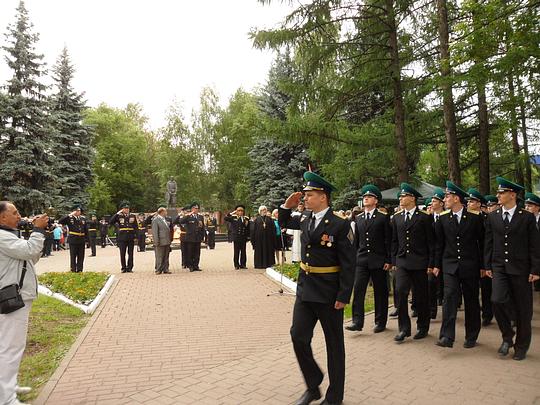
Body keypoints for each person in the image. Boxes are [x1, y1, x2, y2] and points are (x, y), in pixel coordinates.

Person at [279, 171, 355, 405]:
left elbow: (349, 263)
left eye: (309, 195)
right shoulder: (304, 218)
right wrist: (285, 205)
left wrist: (344, 294)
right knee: (298, 336)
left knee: (334, 345)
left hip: (329, 293)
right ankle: (313, 385)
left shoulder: (340, 225)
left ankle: (335, 397)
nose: (305, 198)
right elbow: (283, 221)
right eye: (305, 195)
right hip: (306, 290)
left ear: (323, 197)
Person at [484, 177, 540, 360]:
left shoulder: (527, 217)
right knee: (497, 300)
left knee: (523, 309)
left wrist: (535, 269)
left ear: (512, 195)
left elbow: (534, 245)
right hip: (499, 266)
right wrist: (487, 265)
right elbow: (489, 243)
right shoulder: (492, 216)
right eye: (498, 192)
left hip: (521, 268)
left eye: (502, 192)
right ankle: (507, 335)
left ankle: (522, 346)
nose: (498, 195)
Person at [0, 201, 48, 405]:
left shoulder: (9, 236)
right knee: (11, 347)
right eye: (15, 212)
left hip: (17, 295)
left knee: (9, 345)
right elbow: (29, 252)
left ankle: (8, 385)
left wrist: (35, 238)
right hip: (13, 297)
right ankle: (7, 398)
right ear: (2, 217)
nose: (19, 216)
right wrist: (38, 230)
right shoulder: (2, 237)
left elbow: (30, 258)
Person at [433, 181, 484, 349]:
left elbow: (482, 243)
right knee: (449, 299)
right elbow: (439, 244)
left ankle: (472, 335)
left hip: (470, 265)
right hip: (450, 265)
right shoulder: (442, 218)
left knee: (471, 301)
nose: (445, 199)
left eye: (447, 196)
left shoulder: (474, 218)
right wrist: (436, 264)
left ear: (456, 198)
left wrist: (484, 266)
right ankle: (447, 336)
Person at [391, 183, 434, 343]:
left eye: (404, 196)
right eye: (400, 196)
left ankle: (423, 326)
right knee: (400, 292)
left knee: (421, 296)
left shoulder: (424, 217)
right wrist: (393, 259)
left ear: (412, 198)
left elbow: (431, 242)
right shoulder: (396, 218)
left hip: (420, 262)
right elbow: (394, 241)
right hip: (402, 261)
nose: (401, 199)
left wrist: (430, 263)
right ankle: (404, 328)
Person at [347, 184, 391, 334]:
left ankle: (380, 321)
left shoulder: (383, 218)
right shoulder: (358, 218)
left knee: (380, 291)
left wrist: (388, 260)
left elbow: (388, 240)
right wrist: (353, 259)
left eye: (370, 197)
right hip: (361, 260)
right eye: (365, 197)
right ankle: (357, 321)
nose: (366, 198)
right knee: (358, 290)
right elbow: (356, 241)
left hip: (379, 260)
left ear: (376, 201)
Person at [428, 188, 446, 317]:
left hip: (445, 255)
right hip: (431, 255)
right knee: (431, 282)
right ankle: (432, 310)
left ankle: (447, 304)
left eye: (435, 201)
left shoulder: (447, 217)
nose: (432, 203)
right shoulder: (427, 218)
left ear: (441, 203)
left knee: (445, 283)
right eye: (432, 201)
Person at [109, 201, 138, 273]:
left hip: (130, 236)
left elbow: (135, 226)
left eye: (127, 208)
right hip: (122, 237)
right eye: (125, 208)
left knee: (130, 253)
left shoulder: (132, 216)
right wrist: (117, 213)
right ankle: (123, 267)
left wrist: (136, 236)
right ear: (122, 209)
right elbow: (111, 222)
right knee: (122, 253)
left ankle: (130, 267)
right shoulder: (119, 216)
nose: (127, 209)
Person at [174, 202, 205, 272]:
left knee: (197, 253)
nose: (196, 210)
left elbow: (202, 227)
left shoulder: (200, 217)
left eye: (197, 208)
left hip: (198, 237)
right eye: (195, 208)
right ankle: (190, 266)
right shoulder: (188, 216)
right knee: (190, 252)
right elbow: (181, 221)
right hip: (190, 238)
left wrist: (203, 237)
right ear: (192, 209)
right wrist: (188, 214)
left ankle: (196, 266)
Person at [59, 205, 88, 273]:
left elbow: (86, 230)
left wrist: (87, 240)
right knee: (73, 256)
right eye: (77, 210)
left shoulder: (82, 219)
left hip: (81, 239)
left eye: (79, 210)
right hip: (73, 239)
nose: (79, 212)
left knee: (81, 256)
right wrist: (69, 215)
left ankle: (80, 270)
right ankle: (73, 270)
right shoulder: (70, 218)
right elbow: (60, 221)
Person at [224, 205, 250, 270]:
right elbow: (226, 218)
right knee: (236, 252)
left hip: (243, 237)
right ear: (236, 211)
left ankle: (243, 264)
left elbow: (248, 228)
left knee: (243, 252)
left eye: (242, 211)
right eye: (239, 211)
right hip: (236, 237)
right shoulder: (233, 217)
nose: (240, 212)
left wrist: (248, 237)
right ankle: (236, 265)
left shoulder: (246, 218)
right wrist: (232, 213)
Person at [151, 207, 172, 274]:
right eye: (165, 211)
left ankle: (165, 268)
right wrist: (156, 241)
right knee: (159, 256)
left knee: (166, 256)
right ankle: (158, 269)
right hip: (160, 241)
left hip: (166, 240)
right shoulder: (155, 220)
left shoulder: (164, 219)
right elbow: (155, 232)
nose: (166, 213)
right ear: (162, 212)